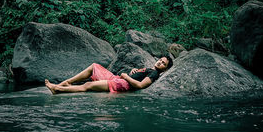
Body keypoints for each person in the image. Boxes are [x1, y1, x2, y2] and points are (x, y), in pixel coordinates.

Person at [45, 55, 173, 94]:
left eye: (163, 63)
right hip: (118, 79)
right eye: (160, 60)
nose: (160, 62)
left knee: (89, 85)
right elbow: (138, 77)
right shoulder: (151, 69)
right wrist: (134, 71)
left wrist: (126, 76)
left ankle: (57, 89)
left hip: (122, 83)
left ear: (165, 69)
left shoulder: (155, 73)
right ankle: (67, 82)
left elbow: (140, 85)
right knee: (94, 66)